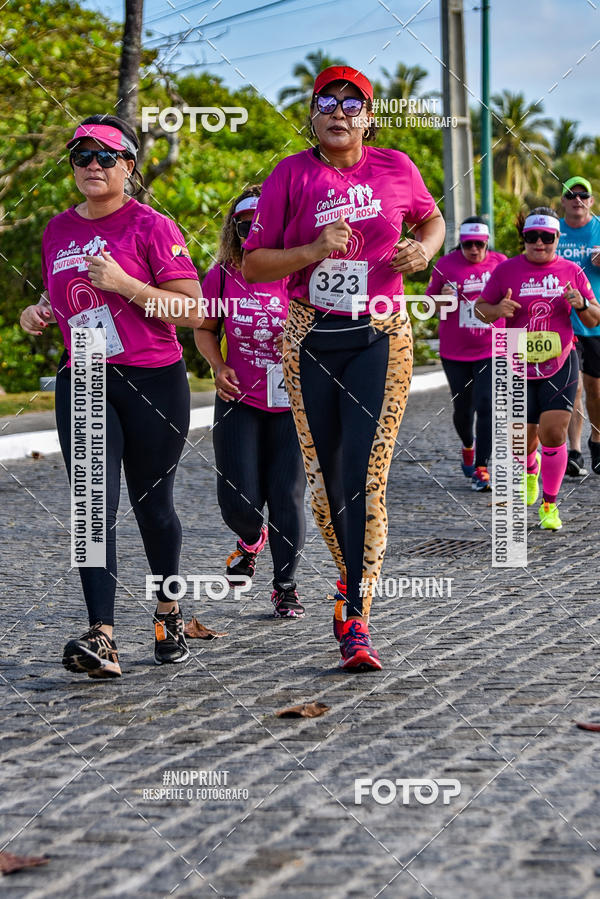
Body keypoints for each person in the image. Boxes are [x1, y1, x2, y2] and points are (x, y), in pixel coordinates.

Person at [242, 65, 445, 670]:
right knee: (328, 481)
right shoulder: (290, 175)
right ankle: (345, 582)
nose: (339, 113)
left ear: (370, 117)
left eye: (351, 104)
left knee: (363, 473)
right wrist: (312, 250)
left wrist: (424, 248)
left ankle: (358, 616)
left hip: (380, 331)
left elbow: (431, 219)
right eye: (325, 102)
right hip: (309, 334)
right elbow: (253, 266)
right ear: (312, 115)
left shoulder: (397, 167)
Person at [20, 115, 204, 677]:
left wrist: (127, 284)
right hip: (87, 377)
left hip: (153, 379)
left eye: (105, 156)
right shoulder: (56, 231)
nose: (93, 166)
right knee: (93, 508)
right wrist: (40, 315)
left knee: (154, 507)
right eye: (81, 156)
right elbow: (72, 303)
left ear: (129, 165)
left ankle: (167, 612)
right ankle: (101, 635)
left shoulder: (153, 226)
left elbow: (192, 310)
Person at [194, 187, 306, 618]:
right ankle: (250, 538)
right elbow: (205, 328)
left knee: (287, 496)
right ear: (235, 230)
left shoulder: (302, 274)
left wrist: (300, 340)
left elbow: (332, 329)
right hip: (237, 398)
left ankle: (286, 587)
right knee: (237, 500)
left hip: (292, 401)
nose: (255, 233)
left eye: (265, 224)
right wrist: (218, 365)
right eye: (246, 226)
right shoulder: (222, 275)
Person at [476, 207, 600, 530]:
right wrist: (497, 309)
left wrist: (582, 304)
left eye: (547, 237)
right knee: (523, 440)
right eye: (533, 237)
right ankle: (531, 469)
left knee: (554, 432)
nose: (540, 243)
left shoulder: (572, 271)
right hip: (516, 358)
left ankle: (549, 504)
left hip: (560, 359)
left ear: (558, 238)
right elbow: (480, 310)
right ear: (524, 239)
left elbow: (594, 317)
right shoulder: (506, 271)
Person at [426, 216, 507, 491]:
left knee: (487, 404)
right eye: (468, 244)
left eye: (479, 244)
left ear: (487, 243)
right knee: (463, 409)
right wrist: (442, 300)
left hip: (491, 346)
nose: (474, 250)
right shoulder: (446, 265)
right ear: (460, 243)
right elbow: (429, 304)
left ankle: (482, 468)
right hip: (456, 350)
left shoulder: (500, 262)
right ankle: (468, 445)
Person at [557, 176, 600, 476]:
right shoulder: (553, 232)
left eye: (583, 195)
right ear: (563, 200)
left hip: (595, 320)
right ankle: (574, 452)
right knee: (571, 389)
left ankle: (597, 442)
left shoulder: (598, 227)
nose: (578, 199)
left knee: (594, 390)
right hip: (561, 321)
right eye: (571, 194)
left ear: (591, 201)